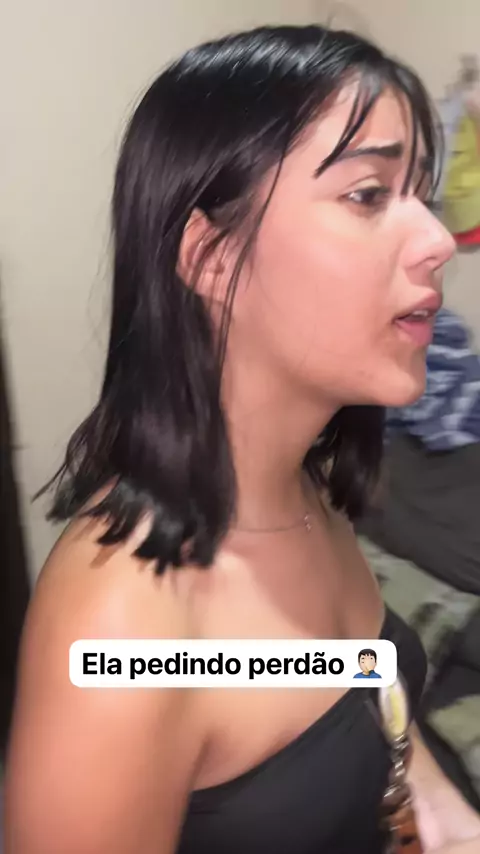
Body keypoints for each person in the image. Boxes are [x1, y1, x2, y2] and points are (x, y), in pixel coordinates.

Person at [4, 23, 480, 854]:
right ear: (212, 257)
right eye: (369, 194)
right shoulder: (125, 625)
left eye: (421, 194)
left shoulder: (304, 492)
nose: (438, 241)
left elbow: (354, 679)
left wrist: (446, 818)